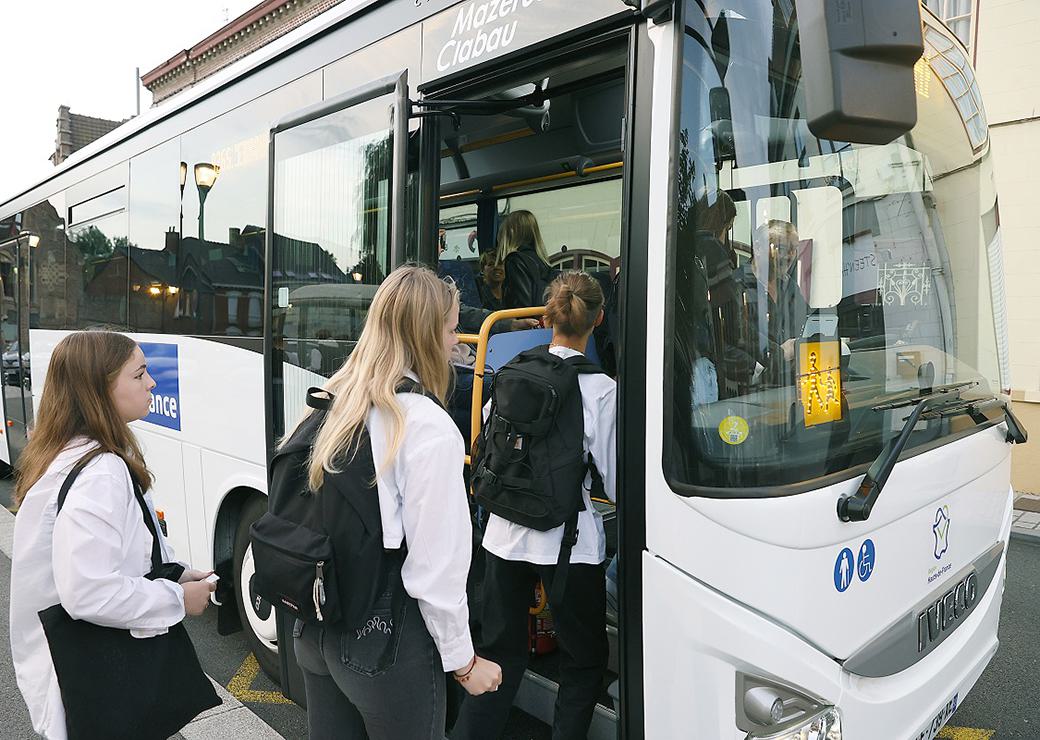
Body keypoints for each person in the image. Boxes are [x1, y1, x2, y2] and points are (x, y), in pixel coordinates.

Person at [291, 265, 502, 739]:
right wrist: (464, 662)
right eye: (451, 329)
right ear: (426, 336)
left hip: (316, 623)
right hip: (384, 638)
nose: (457, 342)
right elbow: (435, 568)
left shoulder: (332, 397)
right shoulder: (425, 425)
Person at [9, 331, 216, 740]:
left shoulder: (69, 450)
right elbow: (87, 591)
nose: (152, 383)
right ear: (99, 390)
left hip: (69, 673)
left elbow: (112, 556)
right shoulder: (101, 471)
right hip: (100, 684)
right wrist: (178, 599)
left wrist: (171, 575)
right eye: (139, 374)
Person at [453, 271, 616, 740]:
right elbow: (609, 470)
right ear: (598, 319)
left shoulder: (512, 370)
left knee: (500, 654)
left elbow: (488, 442)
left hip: (503, 535)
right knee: (583, 660)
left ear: (547, 318)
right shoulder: (600, 388)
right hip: (569, 545)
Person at [496, 210, 554, 309]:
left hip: (525, 322)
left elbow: (522, 304)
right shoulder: (541, 260)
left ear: (511, 232)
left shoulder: (515, 260)